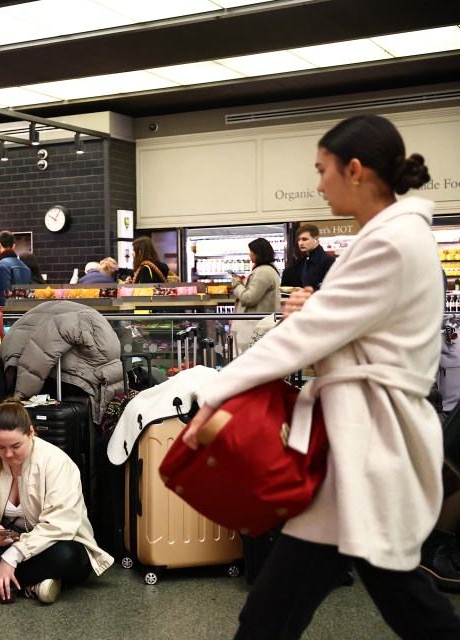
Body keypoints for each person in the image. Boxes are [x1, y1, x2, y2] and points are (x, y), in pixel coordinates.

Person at [182, 115, 460, 638]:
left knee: (391, 608)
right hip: (359, 452)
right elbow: (351, 327)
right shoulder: (399, 239)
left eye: (322, 170)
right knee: (292, 607)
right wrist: (320, 307)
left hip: (367, 449)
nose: (318, 184)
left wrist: (215, 392)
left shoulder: (387, 244)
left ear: (354, 170)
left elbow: (302, 339)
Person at [0, 398, 112, 604]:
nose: (8, 454)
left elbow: (60, 524)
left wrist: (12, 557)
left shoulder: (57, 463)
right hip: (6, 544)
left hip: (47, 545)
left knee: (69, 556)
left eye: (16, 445)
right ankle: (32, 584)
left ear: (31, 432)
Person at [0, 231, 31, 306]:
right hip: (22, 314)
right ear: (13, 246)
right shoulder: (25, 267)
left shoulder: (1, 266)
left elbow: (2, 300)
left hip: (7, 315)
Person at [296, 223, 336, 290]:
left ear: (316, 239)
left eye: (304, 239)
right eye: (299, 240)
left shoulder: (328, 260)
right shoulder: (304, 259)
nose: (300, 243)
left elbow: (331, 288)